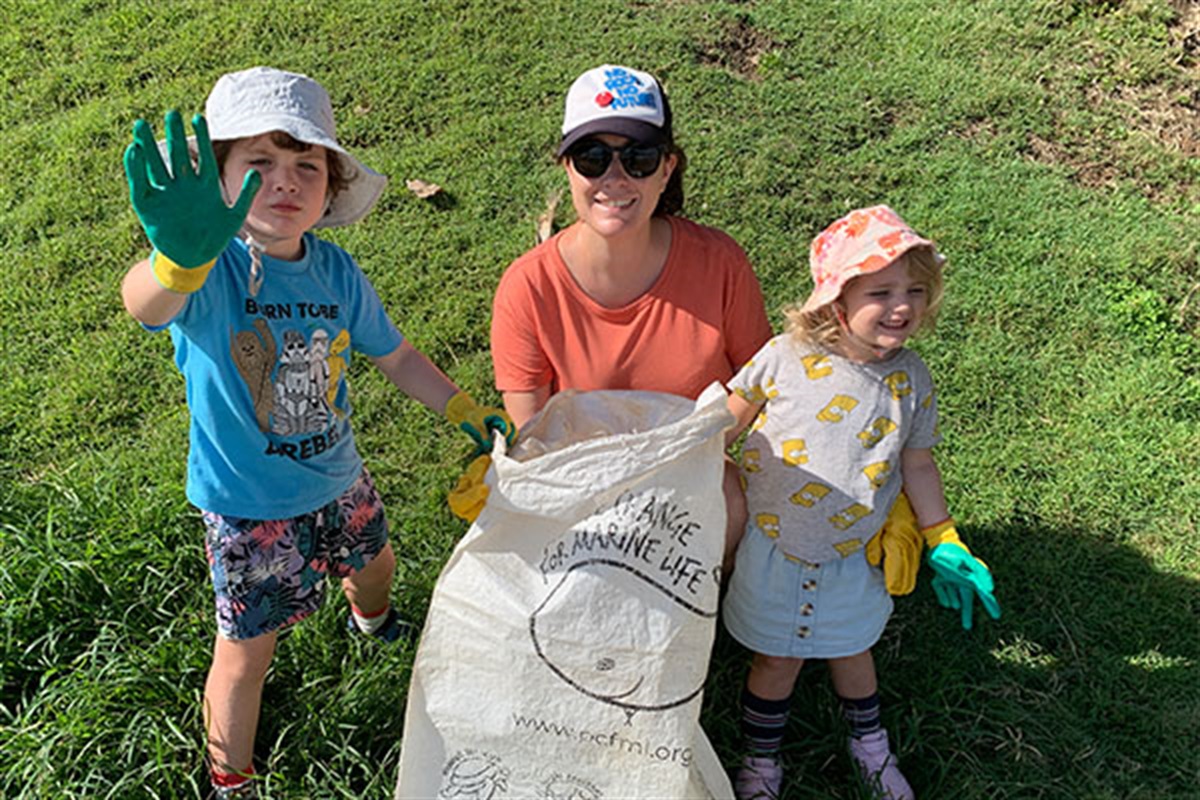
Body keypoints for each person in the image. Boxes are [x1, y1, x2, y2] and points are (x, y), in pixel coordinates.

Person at [120, 66, 514, 799]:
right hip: (248, 509)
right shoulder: (207, 273)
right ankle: (229, 779)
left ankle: (374, 622)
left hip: (339, 477)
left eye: (307, 165)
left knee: (377, 563)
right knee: (246, 654)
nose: (285, 182)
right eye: (259, 165)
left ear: (331, 188)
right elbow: (144, 304)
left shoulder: (334, 270)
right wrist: (175, 259)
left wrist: (460, 406)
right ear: (219, 177)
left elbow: (393, 353)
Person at [720, 206, 1001, 799]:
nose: (903, 305)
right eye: (882, 291)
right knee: (776, 662)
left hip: (855, 552)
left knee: (854, 650)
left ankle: (869, 745)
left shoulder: (912, 379)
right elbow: (725, 423)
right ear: (836, 299)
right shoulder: (783, 357)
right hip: (775, 545)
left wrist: (943, 536)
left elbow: (917, 462)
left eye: (915, 290)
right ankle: (761, 760)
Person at [489, 64, 773, 568]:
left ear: (667, 168)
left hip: (694, 469)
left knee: (731, 506)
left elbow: (756, 383)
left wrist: (676, 464)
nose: (614, 179)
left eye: (638, 158)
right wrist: (612, 481)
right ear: (567, 168)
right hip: (580, 475)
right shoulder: (527, 286)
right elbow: (533, 427)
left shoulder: (721, 262)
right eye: (592, 157)